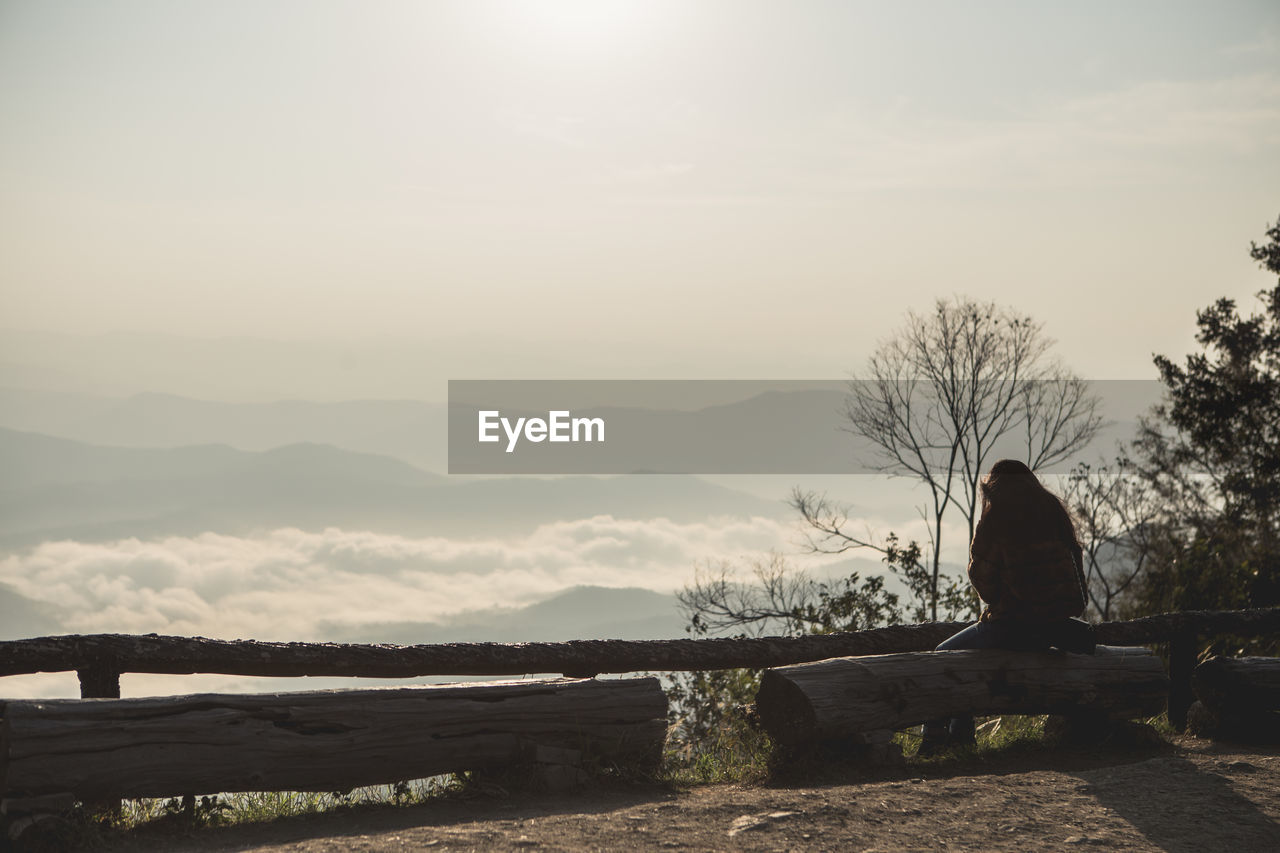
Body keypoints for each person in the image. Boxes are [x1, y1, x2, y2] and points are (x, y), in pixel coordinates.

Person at [918, 458, 1095, 756]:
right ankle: (958, 739)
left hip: (1012, 628)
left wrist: (979, 542)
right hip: (1055, 630)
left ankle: (940, 740)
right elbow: (1078, 591)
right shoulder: (1054, 514)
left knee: (945, 656)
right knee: (961, 656)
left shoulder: (997, 520)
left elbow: (986, 587)